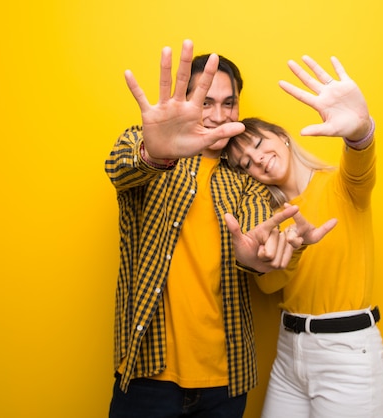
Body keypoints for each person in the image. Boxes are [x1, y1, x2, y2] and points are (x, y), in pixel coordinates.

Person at [104, 40, 333, 418]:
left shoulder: (244, 178)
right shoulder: (149, 146)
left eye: (229, 103)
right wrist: (155, 152)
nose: (218, 114)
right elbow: (118, 168)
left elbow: (260, 228)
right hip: (147, 377)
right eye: (205, 102)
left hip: (225, 384)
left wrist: (259, 256)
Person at [224, 55, 383, 417]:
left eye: (257, 146)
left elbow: (362, 167)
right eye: (246, 164)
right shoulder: (269, 217)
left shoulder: (340, 186)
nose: (257, 162)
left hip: (346, 356)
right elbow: (270, 288)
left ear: (281, 137)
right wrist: (284, 255)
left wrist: (361, 132)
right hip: (289, 355)